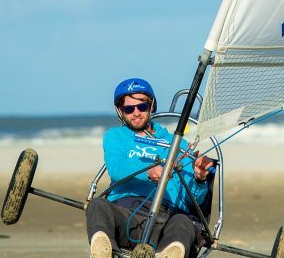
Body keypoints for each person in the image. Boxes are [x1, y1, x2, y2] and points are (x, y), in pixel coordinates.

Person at [86, 78, 214, 258]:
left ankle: (169, 254)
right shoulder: (115, 136)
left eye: (142, 107)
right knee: (98, 205)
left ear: (152, 106)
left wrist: (199, 179)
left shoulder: (177, 144)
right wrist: (148, 172)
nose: (136, 113)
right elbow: (116, 168)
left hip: (165, 221)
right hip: (126, 214)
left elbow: (193, 200)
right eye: (129, 109)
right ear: (120, 111)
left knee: (184, 222)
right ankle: (103, 252)